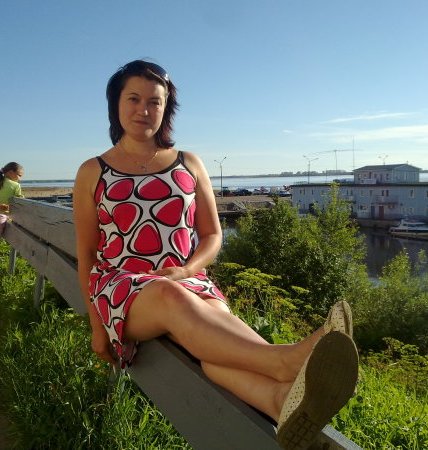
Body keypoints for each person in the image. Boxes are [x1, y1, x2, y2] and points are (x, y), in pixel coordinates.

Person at [73, 60, 358, 449]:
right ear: (116, 104)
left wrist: (187, 269)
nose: (144, 110)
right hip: (121, 289)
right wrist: (96, 327)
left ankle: (279, 401)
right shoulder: (93, 171)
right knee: (172, 296)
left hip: (189, 282)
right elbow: (87, 253)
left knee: (215, 343)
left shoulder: (189, 163)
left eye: (155, 102)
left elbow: (211, 235)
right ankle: (285, 362)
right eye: (134, 99)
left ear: (166, 108)